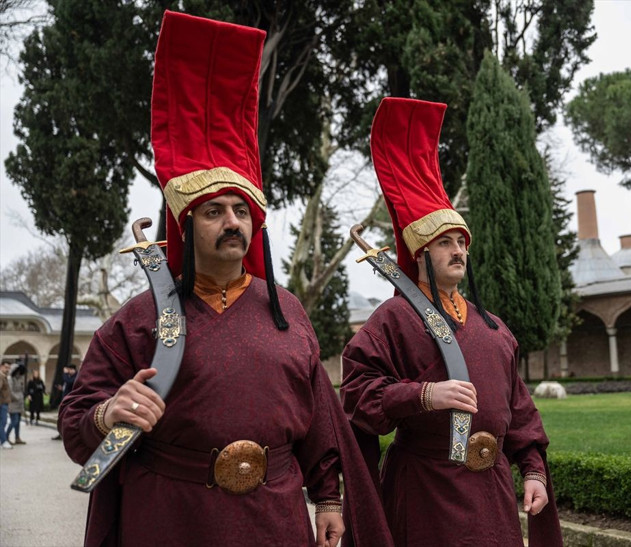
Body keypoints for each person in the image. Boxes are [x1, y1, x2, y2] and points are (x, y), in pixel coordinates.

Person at [58, 11, 391, 547]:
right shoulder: (140, 319)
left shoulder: (287, 310)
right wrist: (106, 412)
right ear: (184, 226)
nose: (232, 221)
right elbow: (75, 421)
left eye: (241, 210)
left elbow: (320, 419)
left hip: (275, 518)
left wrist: (327, 497)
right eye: (214, 212)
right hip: (170, 517)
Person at [341, 98, 563, 546]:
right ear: (420, 253)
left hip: (493, 489)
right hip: (425, 489)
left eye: (462, 241)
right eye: (445, 242)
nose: (459, 250)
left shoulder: (494, 328)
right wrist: (423, 395)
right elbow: (357, 396)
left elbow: (519, 410)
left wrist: (534, 470)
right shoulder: (393, 319)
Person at [52, 365, 77, 441]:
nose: (68, 371)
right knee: (61, 417)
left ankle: (67, 434)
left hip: (71, 401)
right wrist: (62, 388)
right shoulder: (70, 377)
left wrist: (65, 374)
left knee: (68, 418)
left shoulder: (76, 376)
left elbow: (69, 382)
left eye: (69, 370)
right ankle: (61, 433)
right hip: (65, 400)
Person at [5, 363, 27, 444]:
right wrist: (17, 397)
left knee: (18, 422)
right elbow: (10, 391)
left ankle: (17, 437)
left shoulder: (20, 378)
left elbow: (22, 389)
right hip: (13, 403)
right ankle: (6, 436)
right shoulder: (10, 379)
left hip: (19, 403)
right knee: (14, 421)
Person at [0, 361, 12, 449]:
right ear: (1, 366)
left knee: (3, 423)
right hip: (2, 403)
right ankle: (4, 441)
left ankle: (3, 439)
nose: (7, 369)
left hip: (4, 403)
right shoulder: (1, 377)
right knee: (2, 423)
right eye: (6, 367)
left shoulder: (4, 377)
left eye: (9, 368)